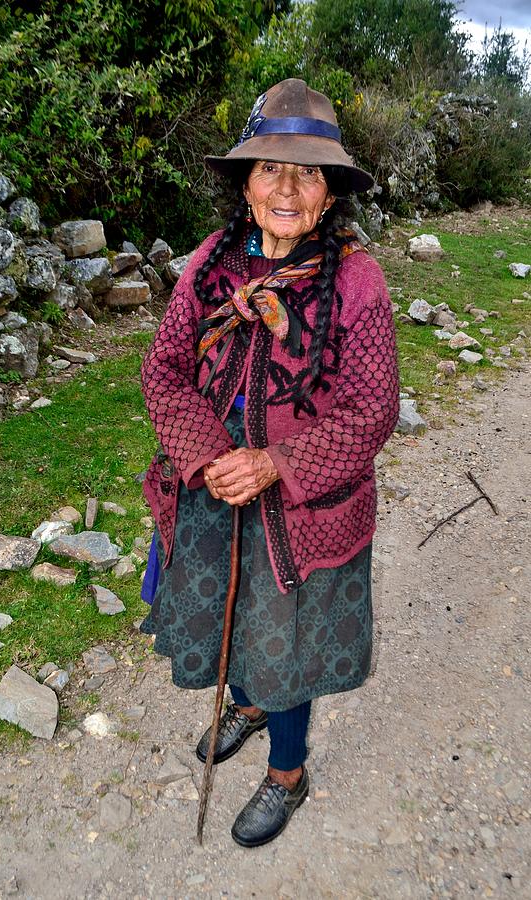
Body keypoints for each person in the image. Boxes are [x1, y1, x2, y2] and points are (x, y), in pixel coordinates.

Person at [140, 78, 399, 848]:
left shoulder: (356, 280)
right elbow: (162, 372)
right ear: (246, 182)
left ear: (330, 193)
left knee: (285, 639)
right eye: (271, 168)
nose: (287, 186)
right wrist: (211, 456)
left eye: (309, 171)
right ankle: (246, 706)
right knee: (232, 616)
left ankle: (289, 774)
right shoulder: (210, 265)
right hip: (215, 488)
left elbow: (371, 410)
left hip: (304, 507)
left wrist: (276, 464)